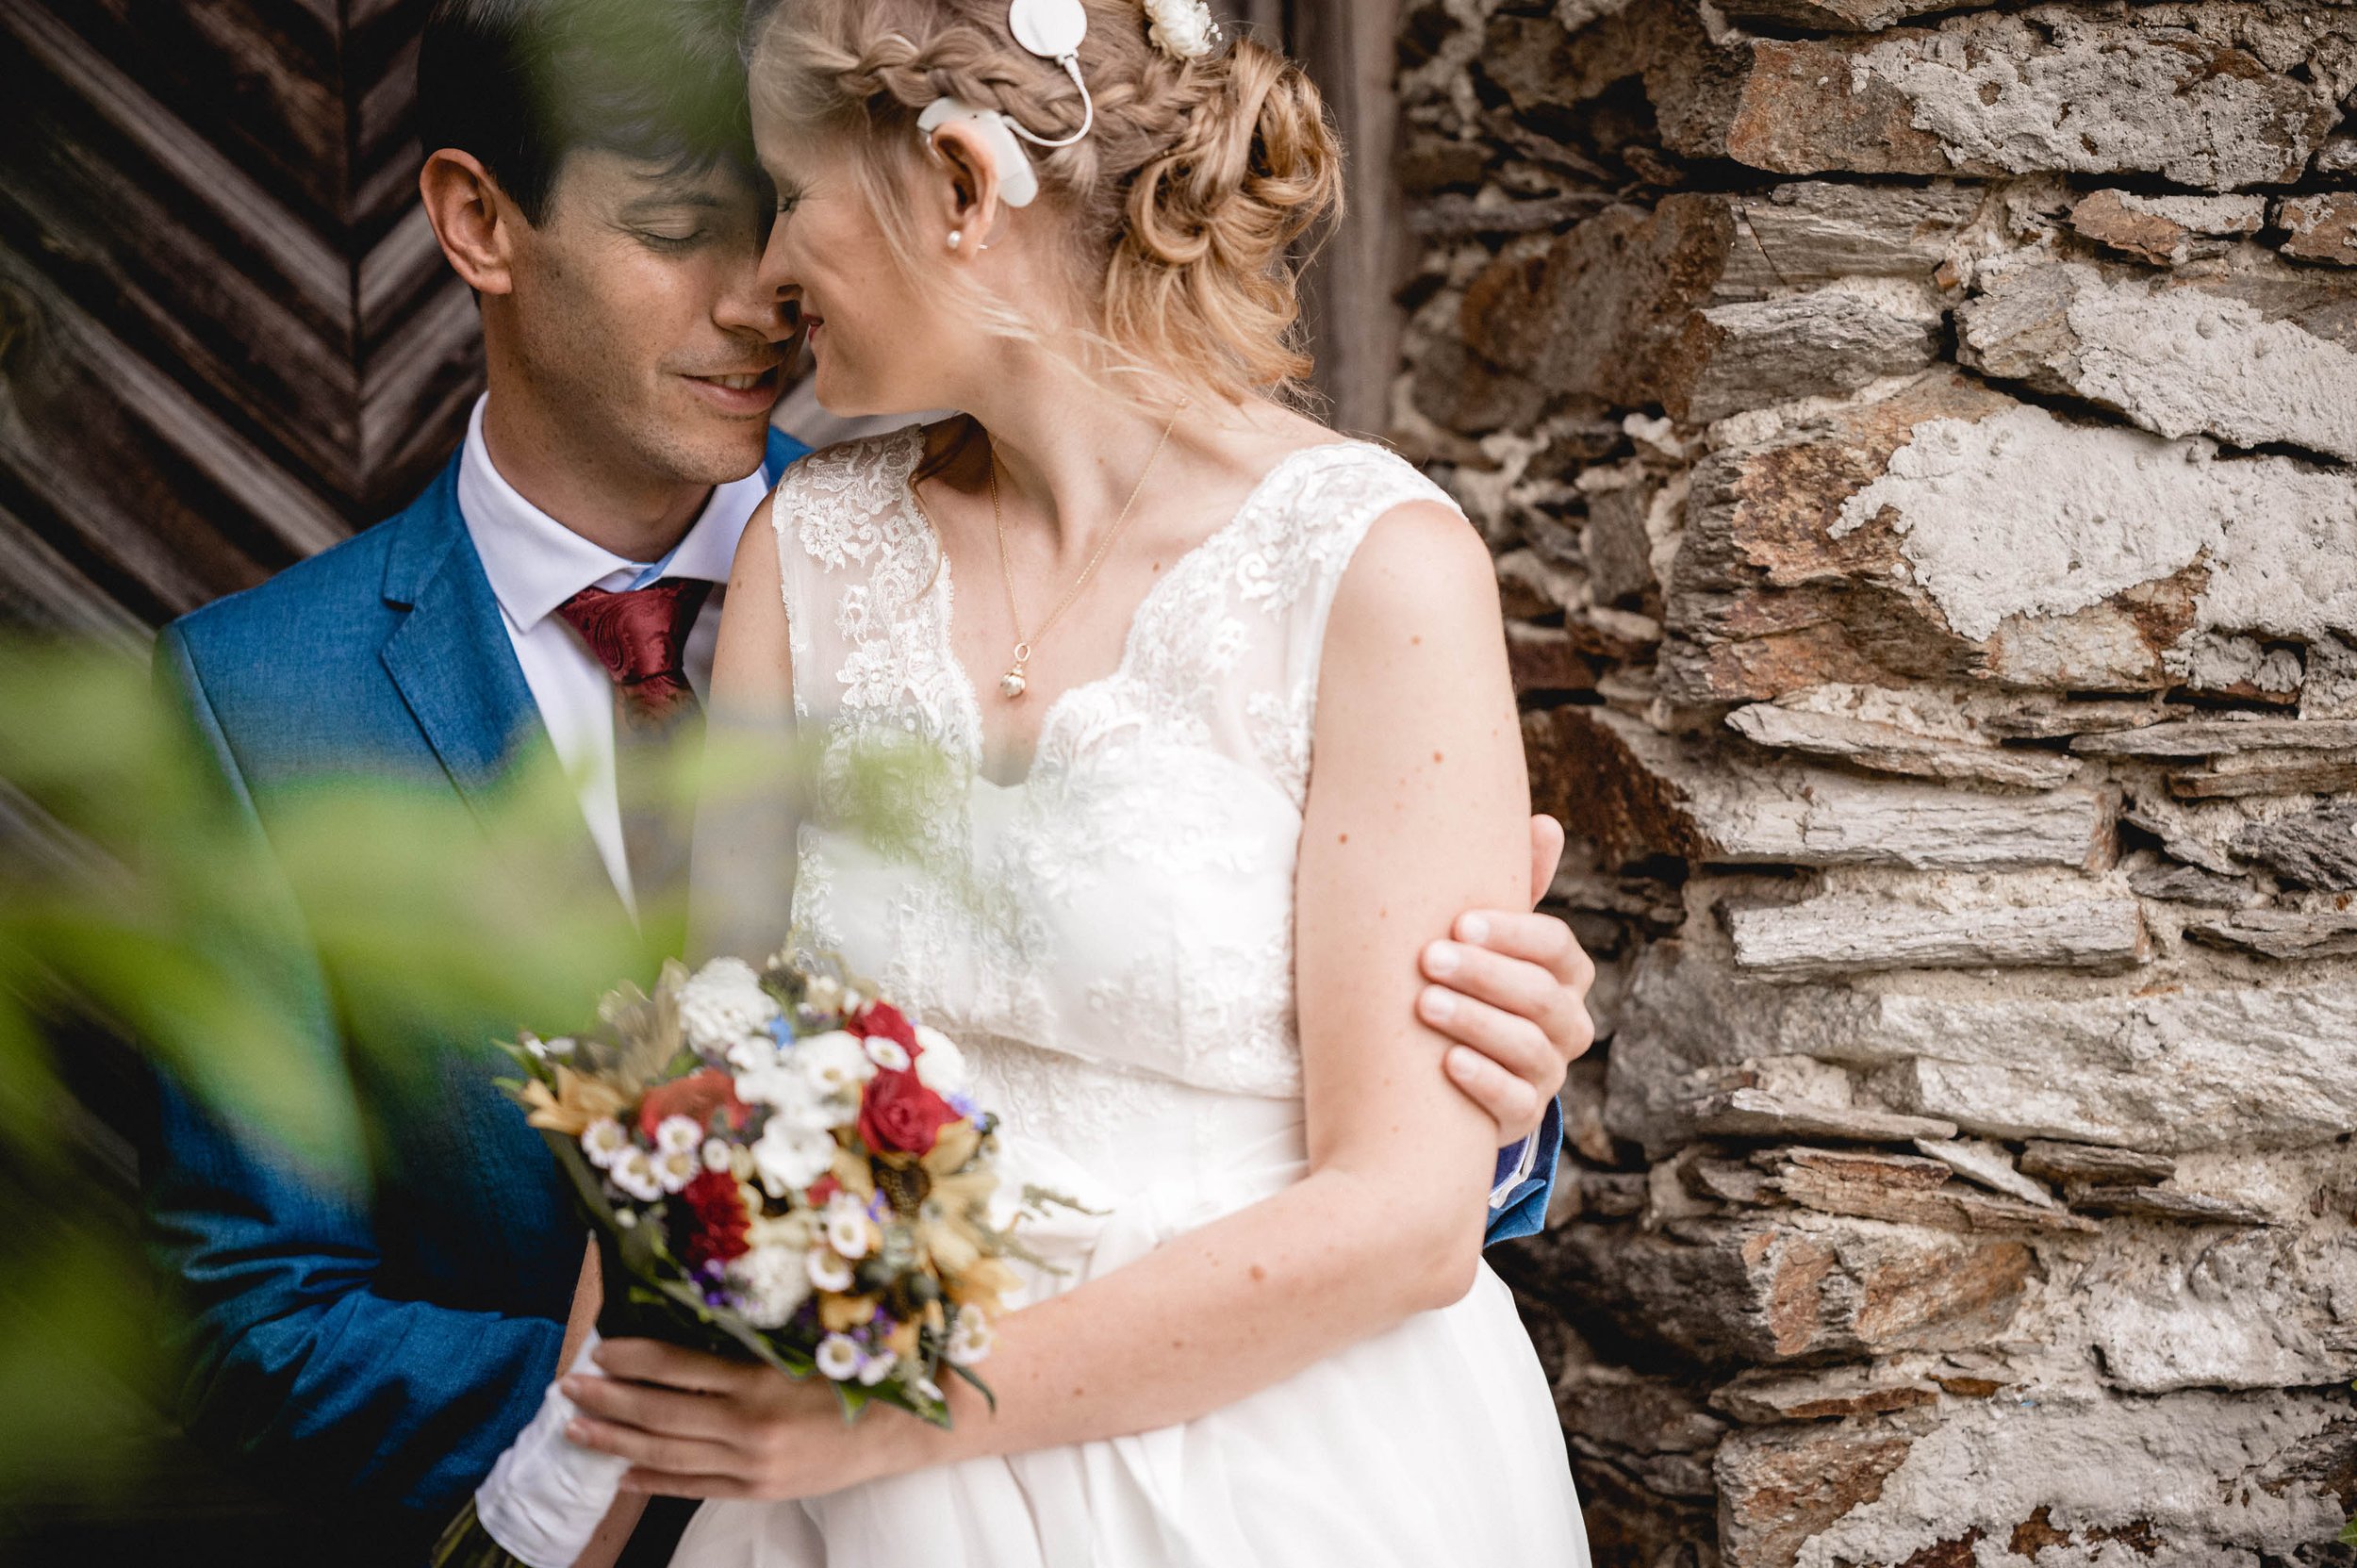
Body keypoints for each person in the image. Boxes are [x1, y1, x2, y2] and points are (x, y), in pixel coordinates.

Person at [141, 0, 1594, 1560]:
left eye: (783, 207)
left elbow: (1400, 1189)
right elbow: (636, 1127)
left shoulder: (1357, 561)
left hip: (1284, 1475)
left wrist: (1475, 1097)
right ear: (479, 223)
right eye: (680, 228)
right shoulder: (290, 695)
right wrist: (679, 1437)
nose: (766, 288)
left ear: (961, 191)